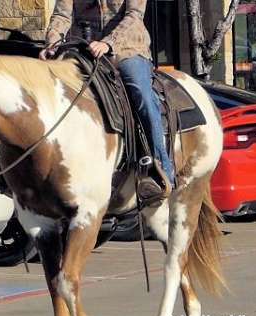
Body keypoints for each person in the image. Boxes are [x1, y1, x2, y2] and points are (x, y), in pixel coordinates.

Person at [40, 0, 174, 197]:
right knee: (50, 87)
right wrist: (52, 43)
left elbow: (134, 16)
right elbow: (62, 16)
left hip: (127, 50)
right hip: (83, 50)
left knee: (140, 93)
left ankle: (158, 169)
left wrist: (108, 43)